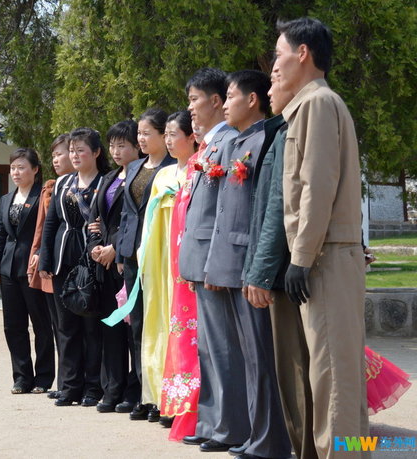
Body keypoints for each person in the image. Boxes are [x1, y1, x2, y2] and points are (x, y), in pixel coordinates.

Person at [273, 17, 369, 457]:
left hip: (326, 257)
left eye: (279, 53)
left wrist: (301, 257)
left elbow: (316, 186)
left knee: (333, 381)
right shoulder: (316, 105)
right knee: (337, 378)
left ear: (303, 53)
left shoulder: (316, 104)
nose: (276, 63)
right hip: (327, 255)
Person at [203, 69, 291, 458]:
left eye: (232, 96)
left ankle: (269, 440)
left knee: (260, 358)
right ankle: (252, 434)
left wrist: (259, 266)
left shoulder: (267, 138)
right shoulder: (239, 141)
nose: (225, 104)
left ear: (251, 100)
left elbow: (264, 212)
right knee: (243, 356)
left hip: (250, 262)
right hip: (230, 260)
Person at [242, 73, 317, 459]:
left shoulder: (313, 113)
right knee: (294, 373)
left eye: (276, 79)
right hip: (286, 266)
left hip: (292, 269)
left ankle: (310, 450)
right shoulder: (284, 128)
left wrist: (259, 270)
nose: (270, 89)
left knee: (298, 372)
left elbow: (282, 207)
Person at [178, 68, 246, 450]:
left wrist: (214, 262)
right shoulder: (208, 146)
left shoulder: (230, 143)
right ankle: (210, 421)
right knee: (208, 346)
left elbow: (227, 210)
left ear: (216, 101)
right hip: (200, 258)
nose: (190, 108)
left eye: (194, 99)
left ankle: (228, 426)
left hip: (214, 261)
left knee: (222, 347)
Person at [111, 108, 176, 422]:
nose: (141, 138)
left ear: (165, 135)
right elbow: (127, 214)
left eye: (147, 133)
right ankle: (143, 394)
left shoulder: (173, 167)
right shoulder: (135, 166)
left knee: (161, 324)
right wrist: (123, 253)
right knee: (137, 327)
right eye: (139, 133)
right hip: (132, 255)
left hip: (160, 255)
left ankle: (165, 396)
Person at [39, 127, 110, 407]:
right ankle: (70, 386)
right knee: (66, 326)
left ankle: (93, 387)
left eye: (81, 150)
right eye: (72, 150)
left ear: (96, 152)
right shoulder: (62, 184)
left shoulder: (107, 182)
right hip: (62, 259)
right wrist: (45, 259)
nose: (75, 155)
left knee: (92, 326)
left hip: (90, 260)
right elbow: (51, 223)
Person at [150, 111, 202, 437]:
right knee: (173, 331)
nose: (168, 140)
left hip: (190, 264)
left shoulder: (199, 167)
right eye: (165, 134)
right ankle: (175, 403)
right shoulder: (165, 175)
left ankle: (193, 407)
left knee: (191, 336)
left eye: (173, 134)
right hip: (164, 261)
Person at [86, 120, 143, 413]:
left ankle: (134, 390)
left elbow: (137, 222)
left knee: (132, 330)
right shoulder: (108, 179)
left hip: (127, 261)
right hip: (104, 265)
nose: (116, 150)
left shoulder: (143, 177)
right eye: (113, 145)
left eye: (123, 145)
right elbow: (95, 220)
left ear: (137, 147)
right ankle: (113, 388)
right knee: (110, 329)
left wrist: (115, 249)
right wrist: (96, 245)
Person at [0, 148, 55, 395]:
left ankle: (44, 377)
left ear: (35, 170)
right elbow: (0, 236)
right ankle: (21, 377)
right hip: (8, 270)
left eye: (21, 167)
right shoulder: (7, 199)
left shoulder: (44, 196)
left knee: (41, 323)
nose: (16, 173)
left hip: (33, 269)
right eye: (13, 168)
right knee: (13, 326)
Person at [27, 134, 74, 400]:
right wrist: (37, 253)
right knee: (57, 325)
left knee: (71, 326)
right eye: (53, 155)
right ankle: (64, 381)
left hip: (68, 260)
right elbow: (42, 228)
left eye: (61, 154)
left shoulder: (76, 185)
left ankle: (73, 382)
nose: (56, 159)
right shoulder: (51, 187)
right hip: (49, 262)